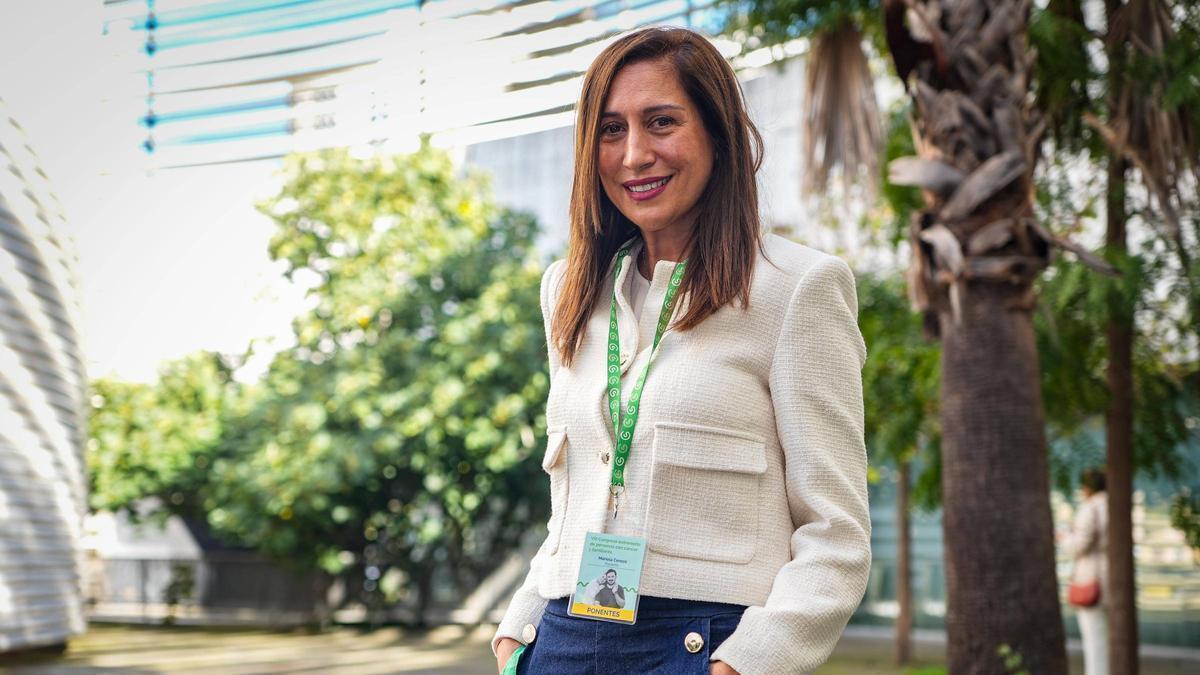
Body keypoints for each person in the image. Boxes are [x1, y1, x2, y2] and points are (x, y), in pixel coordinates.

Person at [493, 26, 871, 675]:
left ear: (717, 134)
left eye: (661, 122)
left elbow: (836, 536)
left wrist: (744, 664)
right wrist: (516, 634)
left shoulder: (797, 289)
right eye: (610, 130)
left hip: (701, 645)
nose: (635, 154)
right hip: (560, 637)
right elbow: (571, 499)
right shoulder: (568, 289)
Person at [1064, 467, 1108, 675]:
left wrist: (1065, 538)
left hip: (1091, 581)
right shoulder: (1116, 505)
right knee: (1108, 640)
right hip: (1113, 581)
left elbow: (1079, 546)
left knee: (1095, 642)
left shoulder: (1090, 508)